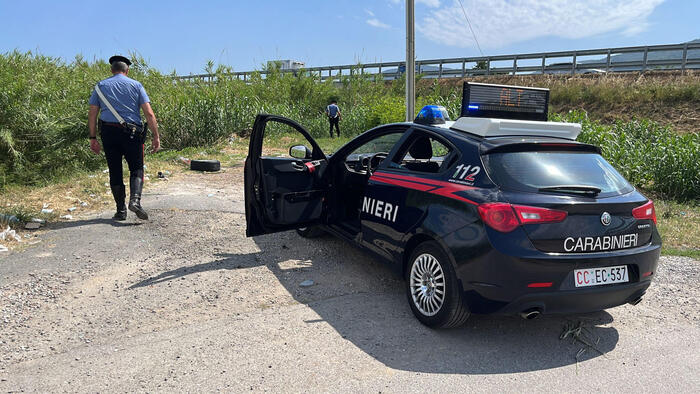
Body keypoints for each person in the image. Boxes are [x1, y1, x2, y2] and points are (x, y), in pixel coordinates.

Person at [88, 55, 161, 221]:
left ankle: (121, 211)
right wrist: (156, 136)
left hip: (108, 132)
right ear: (127, 70)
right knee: (136, 167)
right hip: (132, 133)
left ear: (111, 70)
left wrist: (93, 137)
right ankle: (135, 201)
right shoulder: (136, 85)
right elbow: (149, 113)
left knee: (115, 170)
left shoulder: (100, 86)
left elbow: (92, 113)